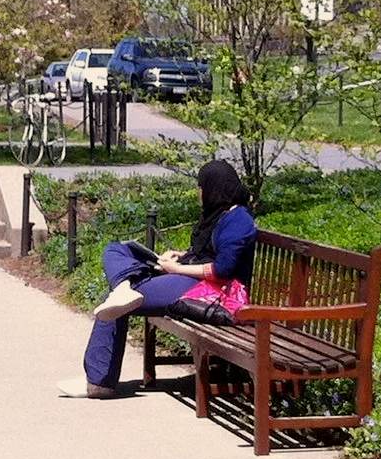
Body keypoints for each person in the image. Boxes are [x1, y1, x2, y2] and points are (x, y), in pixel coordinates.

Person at [59, 160, 256, 398]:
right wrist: (181, 256)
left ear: (214, 187)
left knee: (111, 303)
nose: (198, 193)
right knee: (116, 249)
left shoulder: (238, 220)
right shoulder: (220, 213)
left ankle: (98, 382)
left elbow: (223, 269)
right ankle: (123, 287)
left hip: (207, 291)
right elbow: (208, 252)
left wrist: (176, 269)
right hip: (190, 276)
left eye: (201, 186)